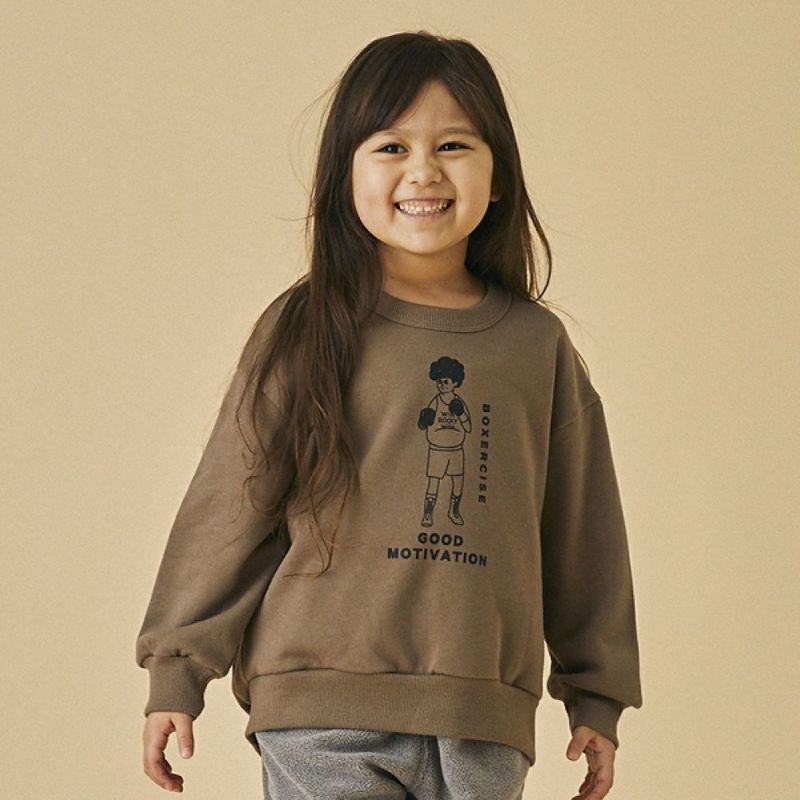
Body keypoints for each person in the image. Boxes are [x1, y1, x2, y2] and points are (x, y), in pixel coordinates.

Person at [136, 30, 643, 799]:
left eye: (454, 145)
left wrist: (596, 695)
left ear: (499, 178)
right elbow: (232, 502)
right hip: (319, 707)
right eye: (391, 147)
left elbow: (583, 528)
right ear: (345, 174)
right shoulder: (306, 328)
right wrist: (178, 669)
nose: (424, 171)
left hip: (482, 717)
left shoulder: (535, 346)